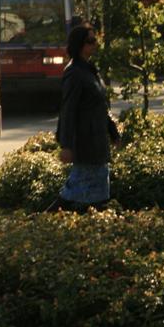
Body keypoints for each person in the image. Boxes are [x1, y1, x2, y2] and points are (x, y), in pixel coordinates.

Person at [56, 22, 120, 209]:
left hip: (97, 141)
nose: (95, 44)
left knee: (97, 190)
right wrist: (66, 145)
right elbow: (68, 110)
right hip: (85, 142)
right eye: (90, 41)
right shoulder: (74, 73)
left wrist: (113, 132)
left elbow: (100, 105)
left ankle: (88, 223)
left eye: (95, 40)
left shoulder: (90, 70)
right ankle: (58, 220)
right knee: (79, 192)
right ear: (79, 45)